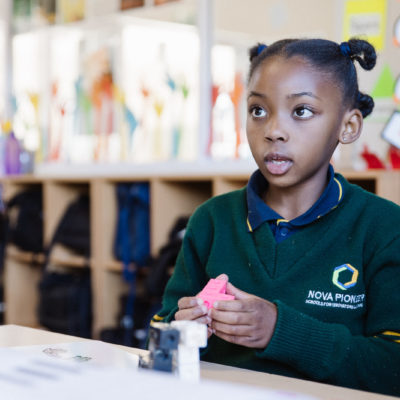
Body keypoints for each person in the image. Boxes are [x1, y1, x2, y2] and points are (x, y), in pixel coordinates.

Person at [151, 38, 400, 396]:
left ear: (348, 126)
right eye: (258, 110)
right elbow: (159, 332)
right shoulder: (211, 220)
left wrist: (279, 330)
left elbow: (392, 366)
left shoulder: (384, 228)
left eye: (301, 111)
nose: (273, 131)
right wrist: (182, 329)